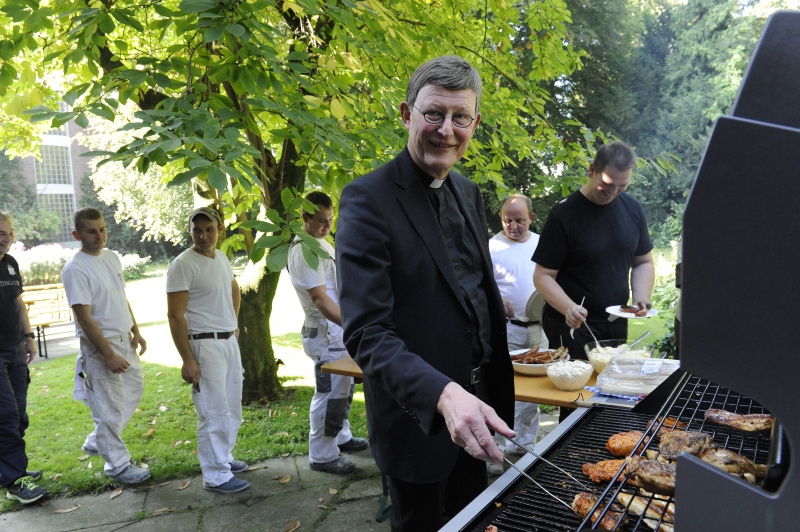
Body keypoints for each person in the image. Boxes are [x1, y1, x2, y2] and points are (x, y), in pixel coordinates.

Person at [336, 55, 515, 531]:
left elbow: (470, 294)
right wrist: (443, 394)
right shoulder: (366, 200)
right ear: (406, 113)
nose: (446, 130)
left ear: (475, 122)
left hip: (480, 408)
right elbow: (368, 333)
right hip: (418, 421)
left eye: (461, 117)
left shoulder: (470, 192)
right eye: (434, 113)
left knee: (474, 521)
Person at [533, 140, 655, 361]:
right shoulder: (563, 215)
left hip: (615, 321)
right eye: (607, 184)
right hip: (571, 324)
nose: (613, 192)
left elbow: (643, 261)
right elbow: (543, 276)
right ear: (592, 170)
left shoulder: (634, 210)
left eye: (622, 186)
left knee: (610, 387)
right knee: (575, 391)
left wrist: (642, 297)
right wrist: (568, 308)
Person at [61, 208, 150, 484]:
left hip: (124, 339)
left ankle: (96, 440)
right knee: (110, 407)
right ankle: (118, 466)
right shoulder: (76, 269)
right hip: (101, 346)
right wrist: (108, 355)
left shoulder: (111, 258)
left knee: (133, 392)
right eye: (91, 231)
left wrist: (136, 330)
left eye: (102, 229)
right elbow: (84, 318)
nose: (99, 236)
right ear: (77, 234)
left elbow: (121, 297)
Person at [166, 207, 249, 494]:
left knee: (232, 406)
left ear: (220, 229)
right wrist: (187, 359)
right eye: (197, 229)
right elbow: (175, 316)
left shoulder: (222, 258)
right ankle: (215, 475)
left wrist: (233, 321)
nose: (203, 235)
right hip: (203, 344)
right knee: (212, 410)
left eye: (209, 229)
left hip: (228, 341)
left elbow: (233, 288)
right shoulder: (183, 264)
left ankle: (224, 458)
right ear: (189, 230)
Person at [287, 192, 368, 474]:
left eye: (330, 220)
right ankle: (322, 456)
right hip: (325, 333)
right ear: (304, 218)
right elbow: (320, 300)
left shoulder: (321, 244)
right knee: (329, 394)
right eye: (321, 220)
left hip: (337, 331)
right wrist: (353, 323)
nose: (327, 225)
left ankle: (341, 437)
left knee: (343, 391)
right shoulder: (303, 250)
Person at [488, 195, 548, 471]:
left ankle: (525, 444)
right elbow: (476, 284)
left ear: (532, 218)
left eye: (520, 220)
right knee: (502, 388)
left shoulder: (543, 244)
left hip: (540, 329)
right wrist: (495, 297)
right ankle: (496, 449)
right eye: (507, 220)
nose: (513, 226)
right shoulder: (491, 247)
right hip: (506, 330)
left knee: (532, 391)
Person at [0, 211, 47, 504]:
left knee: (19, 412)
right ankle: (15, 480)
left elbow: (18, 303)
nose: (4, 239)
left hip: (15, 347)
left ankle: (12, 469)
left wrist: (29, 338)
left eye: (8, 233)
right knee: (6, 414)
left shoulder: (11, 264)